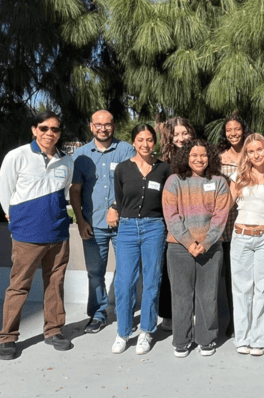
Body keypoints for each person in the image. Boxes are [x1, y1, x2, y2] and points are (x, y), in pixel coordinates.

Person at [0, 110, 74, 360]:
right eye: (44, 128)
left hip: (58, 233)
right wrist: (15, 219)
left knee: (55, 284)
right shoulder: (17, 156)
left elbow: (63, 193)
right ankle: (8, 338)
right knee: (18, 286)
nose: (49, 133)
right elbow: (5, 191)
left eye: (55, 129)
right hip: (27, 234)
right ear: (34, 129)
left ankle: (53, 331)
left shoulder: (66, 161)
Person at [162, 139, 231, 358]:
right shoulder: (174, 181)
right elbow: (170, 215)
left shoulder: (219, 182)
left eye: (203, 155)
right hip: (179, 248)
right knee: (181, 295)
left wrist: (206, 242)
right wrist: (189, 243)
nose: (199, 159)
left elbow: (220, 217)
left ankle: (206, 338)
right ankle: (181, 339)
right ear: (186, 157)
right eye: (194, 155)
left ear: (210, 157)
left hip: (210, 248)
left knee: (207, 295)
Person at [70, 110, 136, 334]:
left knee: (127, 270)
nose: (103, 128)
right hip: (92, 224)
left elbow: (132, 184)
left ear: (113, 125)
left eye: (107, 124)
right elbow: (75, 190)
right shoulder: (80, 155)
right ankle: (98, 314)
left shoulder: (127, 150)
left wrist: (115, 208)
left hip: (123, 223)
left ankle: (125, 311)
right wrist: (80, 221)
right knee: (95, 272)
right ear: (91, 126)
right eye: (98, 125)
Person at [110, 124, 171, 355]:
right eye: (140, 140)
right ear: (133, 142)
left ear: (154, 143)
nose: (145, 144)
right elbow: (120, 199)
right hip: (127, 228)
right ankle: (123, 332)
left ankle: (146, 331)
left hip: (154, 227)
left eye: (149, 140)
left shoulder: (164, 169)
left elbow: (167, 200)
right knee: (124, 282)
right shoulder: (123, 169)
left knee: (152, 280)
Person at [229, 133, 264, 356]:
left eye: (260, 149)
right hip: (241, 236)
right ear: (246, 155)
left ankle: (259, 339)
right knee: (241, 289)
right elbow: (225, 206)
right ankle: (242, 338)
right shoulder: (237, 178)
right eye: (251, 151)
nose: (256, 154)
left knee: (263, 288)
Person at [155, 116, 197, 332]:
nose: (180, 138)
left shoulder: (199, 156)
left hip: (196, 222)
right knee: (170, 271)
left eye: (184, 133)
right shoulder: (163, 163)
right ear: (169, 137)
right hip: (170, 223)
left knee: (195, 270)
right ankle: (169, 314)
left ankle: (194, 312)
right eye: (176, 134)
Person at [218, 112, 251, 339]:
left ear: (244, 130)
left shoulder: (253, 154)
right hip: (228, 225)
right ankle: (234, 320)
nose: (233, 133)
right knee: (232, 276)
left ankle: (251, 321)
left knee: (249, 276)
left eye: (236, 129)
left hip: (250, 219)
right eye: (229, 130)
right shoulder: (219, 158)